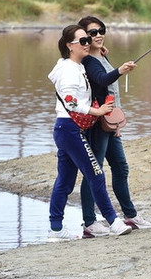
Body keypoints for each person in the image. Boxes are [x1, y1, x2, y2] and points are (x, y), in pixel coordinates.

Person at [47, 25, 132, 240]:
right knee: (96, 173)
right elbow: (69, 101)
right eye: (82, 41)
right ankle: (114, 221)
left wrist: (101, 54)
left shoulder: (75, 66)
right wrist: (97, 110)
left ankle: (56, 228)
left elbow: (96, 79)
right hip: (69, 129)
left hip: (68, 129)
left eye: (88, 40)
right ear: (69, 45)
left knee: (65, 181)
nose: (87, 43)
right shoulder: (68, 69)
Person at [76, 16, 151, 234]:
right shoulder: (87, 62)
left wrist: (118, 124)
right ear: (83, 37)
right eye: (92, 33)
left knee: (120, 167)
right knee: (94, 170)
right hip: (96, 123)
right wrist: (119, 70)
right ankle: (89, 222)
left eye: (101, 30)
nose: (99, 35)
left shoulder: (99, 56)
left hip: (110, 123)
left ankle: (130, 216)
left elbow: (110, 89)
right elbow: (102, 80)